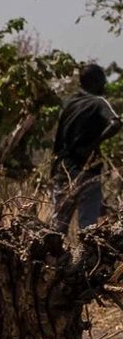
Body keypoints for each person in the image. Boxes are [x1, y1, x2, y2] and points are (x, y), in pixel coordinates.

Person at [54, 62, 120, 231]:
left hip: (64, 169)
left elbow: (59, 139)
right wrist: (93, 145)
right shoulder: (98, 102)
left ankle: (51, 255)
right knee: (88, 229)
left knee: (58, 227)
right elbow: (115, 123)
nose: (105, 84)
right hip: (87, 169)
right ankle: (85, 256)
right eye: (102, 80)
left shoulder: (68, 104)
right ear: (94, 82)